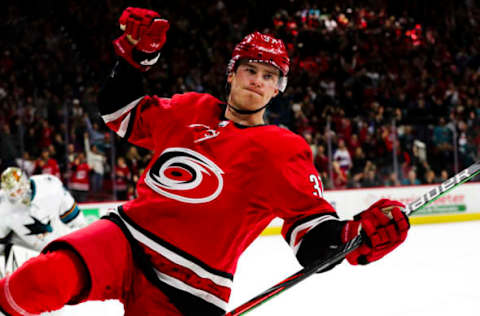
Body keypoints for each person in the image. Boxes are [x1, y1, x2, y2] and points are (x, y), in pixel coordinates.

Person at [0, 7, 410, 316]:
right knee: (35, 282)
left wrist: (356, 237)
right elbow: (116, 112)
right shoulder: (190, 108)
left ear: (277, 91)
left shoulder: (282, 150)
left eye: (269, 76)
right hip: (125, 238)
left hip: (192, 287)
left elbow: (313, 242)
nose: (257, 80)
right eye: (250, 69)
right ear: (231, 74)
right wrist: (134, 59)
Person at [0, 167, 87, 276]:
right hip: (31, 263)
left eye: (19, 190)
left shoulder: (50, 186)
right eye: (13, 194)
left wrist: (82, 245)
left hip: (64, 253)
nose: (18, 195)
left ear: (25, 181)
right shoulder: (3, 205)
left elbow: (75, 220)